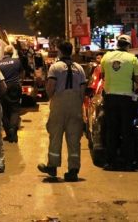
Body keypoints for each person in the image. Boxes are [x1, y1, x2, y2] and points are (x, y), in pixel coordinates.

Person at [37, 41, 87, 181]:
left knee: (55, 135)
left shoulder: (55, 67)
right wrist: (78, 104)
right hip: (75, 104)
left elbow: (51, 86)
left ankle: (52, 166)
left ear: (59, 51)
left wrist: (50, 96)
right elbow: (83, 90)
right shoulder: (79, 68)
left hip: (59, 104)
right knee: (74, 139)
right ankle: (73, 170)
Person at [100, 34, 138, 171]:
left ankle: (109, 162)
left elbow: (103, 75)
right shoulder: (132, 59)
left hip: (110, 98)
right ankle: (128, 162)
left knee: (111, 130)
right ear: (128, 46)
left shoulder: (106, 57)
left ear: (117, 44)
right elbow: (137, 79)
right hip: (126, 99)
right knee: (127, 131)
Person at [0, 45, 24, 143]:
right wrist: (20, 82)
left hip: (3, 87)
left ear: (4, 53)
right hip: (15, 87)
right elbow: (22, 73)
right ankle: (13, 130)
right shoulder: (17, 61)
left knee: (4, 111)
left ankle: (8, 133)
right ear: (12, 53)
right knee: (15, 110)